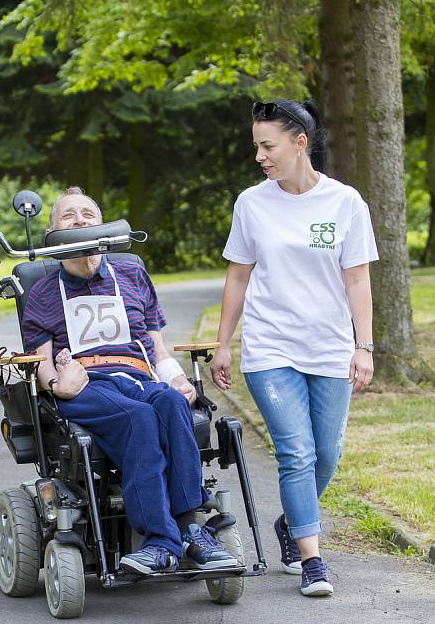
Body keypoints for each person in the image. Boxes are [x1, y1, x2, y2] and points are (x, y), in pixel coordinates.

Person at [21, 187, 237, 575]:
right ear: (54, 234)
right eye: (68, 215)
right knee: (138, 417)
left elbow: (157, 348)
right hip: (85, 382)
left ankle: (190, 529)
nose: (80, 220)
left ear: (104, 226)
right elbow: (42, 365)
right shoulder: (41, 292)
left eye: (88, 213)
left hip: (138, 372)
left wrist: (177, 380)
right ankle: (159, 540)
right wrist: (57, 386)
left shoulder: (132, 272)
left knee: (172, 404)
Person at [211, 99, 378, 597]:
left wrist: (362, 345)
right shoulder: (252, 203)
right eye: (256, 146)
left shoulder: (345, 202)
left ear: (299, 142)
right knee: (296, 452)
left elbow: (358, 279)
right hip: (270, 348)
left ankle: (291, 523)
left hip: (328, 346)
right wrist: (223, 344)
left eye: (268, 145)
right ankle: (313, 561)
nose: (260, 155)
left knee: (326, 453)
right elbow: (238, 276)